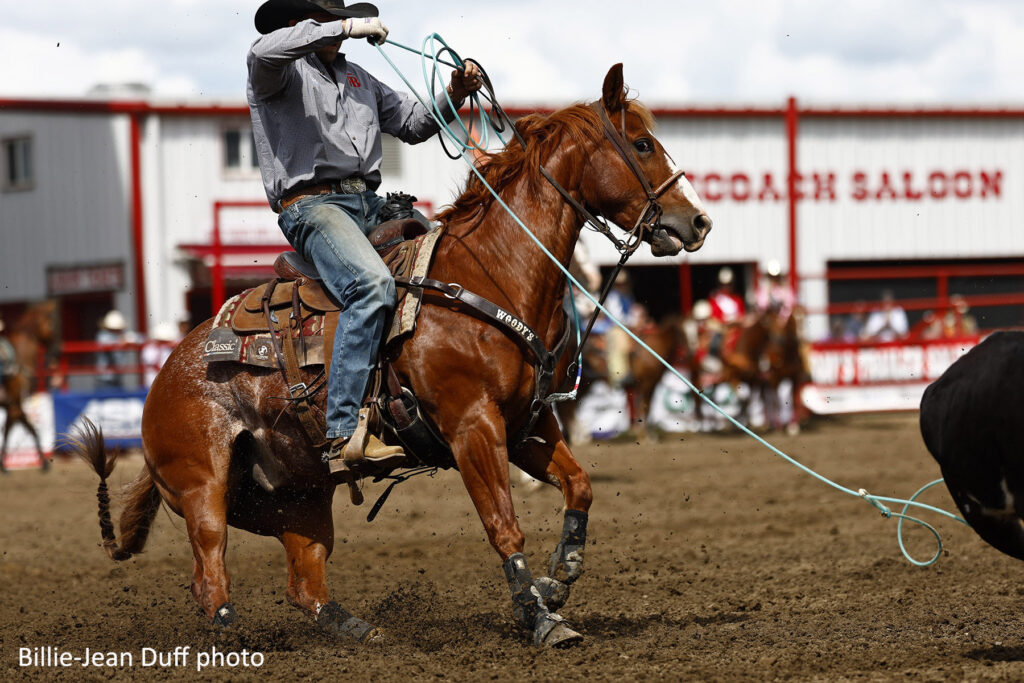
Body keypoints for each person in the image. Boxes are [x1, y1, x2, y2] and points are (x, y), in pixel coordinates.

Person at [247, 0, 484, 477]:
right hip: (312, 206)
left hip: (369, 203)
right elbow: (263, 51)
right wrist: (349, 26)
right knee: (371, 286)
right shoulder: (278, 72)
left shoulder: (361, 80)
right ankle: (342, 432)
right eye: (325, 20)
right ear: (298, 24)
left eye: (339, 19)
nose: (336, 28)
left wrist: (454, 92)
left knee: (453, 259)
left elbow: (414, 124)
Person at [95, 310, 139, 390]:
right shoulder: (103, 336)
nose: (116, 331)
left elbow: (139, 339)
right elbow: (106, 342)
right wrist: (123, 341)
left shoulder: (121, 336)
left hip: (117, 377)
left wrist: (128, 339)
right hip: (105, 379)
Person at [142, 321, 181, 388]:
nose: (163, 343)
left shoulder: (170, 348)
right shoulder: (150, 349)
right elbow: (149, 360)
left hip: (169, 378)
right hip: (153, 379)